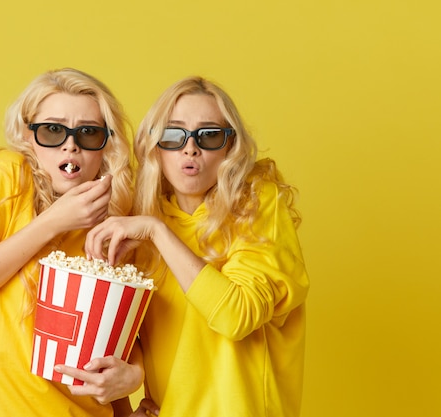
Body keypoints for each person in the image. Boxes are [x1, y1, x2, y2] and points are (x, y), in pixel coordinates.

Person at [84, 76, 310, 417]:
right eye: (173, 135)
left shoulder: (257, 205)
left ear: (230, 147)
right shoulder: (141, 221)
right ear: (155, 146)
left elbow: (237, 316)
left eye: (209, 135)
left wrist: (157, 232)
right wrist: (123, 411)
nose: (191, 149)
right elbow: (123, 340)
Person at [0, 68, 143, 417]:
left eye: (88, 133)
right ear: (29, 137)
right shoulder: (7, 177)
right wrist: (54, 221)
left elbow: (108, 353)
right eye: (52, 130)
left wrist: (133, 378)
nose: (70, 144)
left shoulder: (113, 224)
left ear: (106, 146)